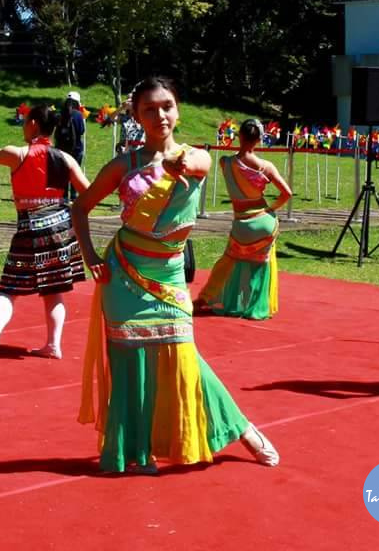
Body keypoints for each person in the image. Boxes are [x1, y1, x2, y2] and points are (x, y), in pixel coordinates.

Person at [73, 77, 278, 474]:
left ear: (178, 110)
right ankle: (135, 451)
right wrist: (90, 255)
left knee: (186, 357)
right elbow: (79, 209)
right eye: (149, 108)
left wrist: (171, 166)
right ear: (136, 116)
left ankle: (242, 428)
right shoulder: (123, 165)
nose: (159, 114)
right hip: (124, 274)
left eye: (166, 106)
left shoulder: (196, 156)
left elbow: (193, 165)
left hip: (169, 275)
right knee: (130, 365)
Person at [0, 105, 89, 362]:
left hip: (30, 227)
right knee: (54, 288)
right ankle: (53, 345)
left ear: (33, 124)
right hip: (61, 227)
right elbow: (88, 190)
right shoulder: (66, 158)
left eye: (25, 121)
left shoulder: (19, 154)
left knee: (9, 287)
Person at [195, 118, 293, 320]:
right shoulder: (266, 167)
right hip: (264, 221)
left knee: (230, 261)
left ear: (239, 136)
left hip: (242, 223)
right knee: (262, 265)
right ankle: (257, 306)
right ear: (259, 139)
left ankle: (208, 297)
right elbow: (287, 193)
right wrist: (271, 209)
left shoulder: (226, 163)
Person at [54, 91, 86, 200]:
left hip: (61, 150)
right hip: (76, 149)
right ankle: (73, 196)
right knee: (74, 173)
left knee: (63, 174)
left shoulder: (60, 114)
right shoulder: (78, 115)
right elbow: (81, 131)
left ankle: (63, 197)